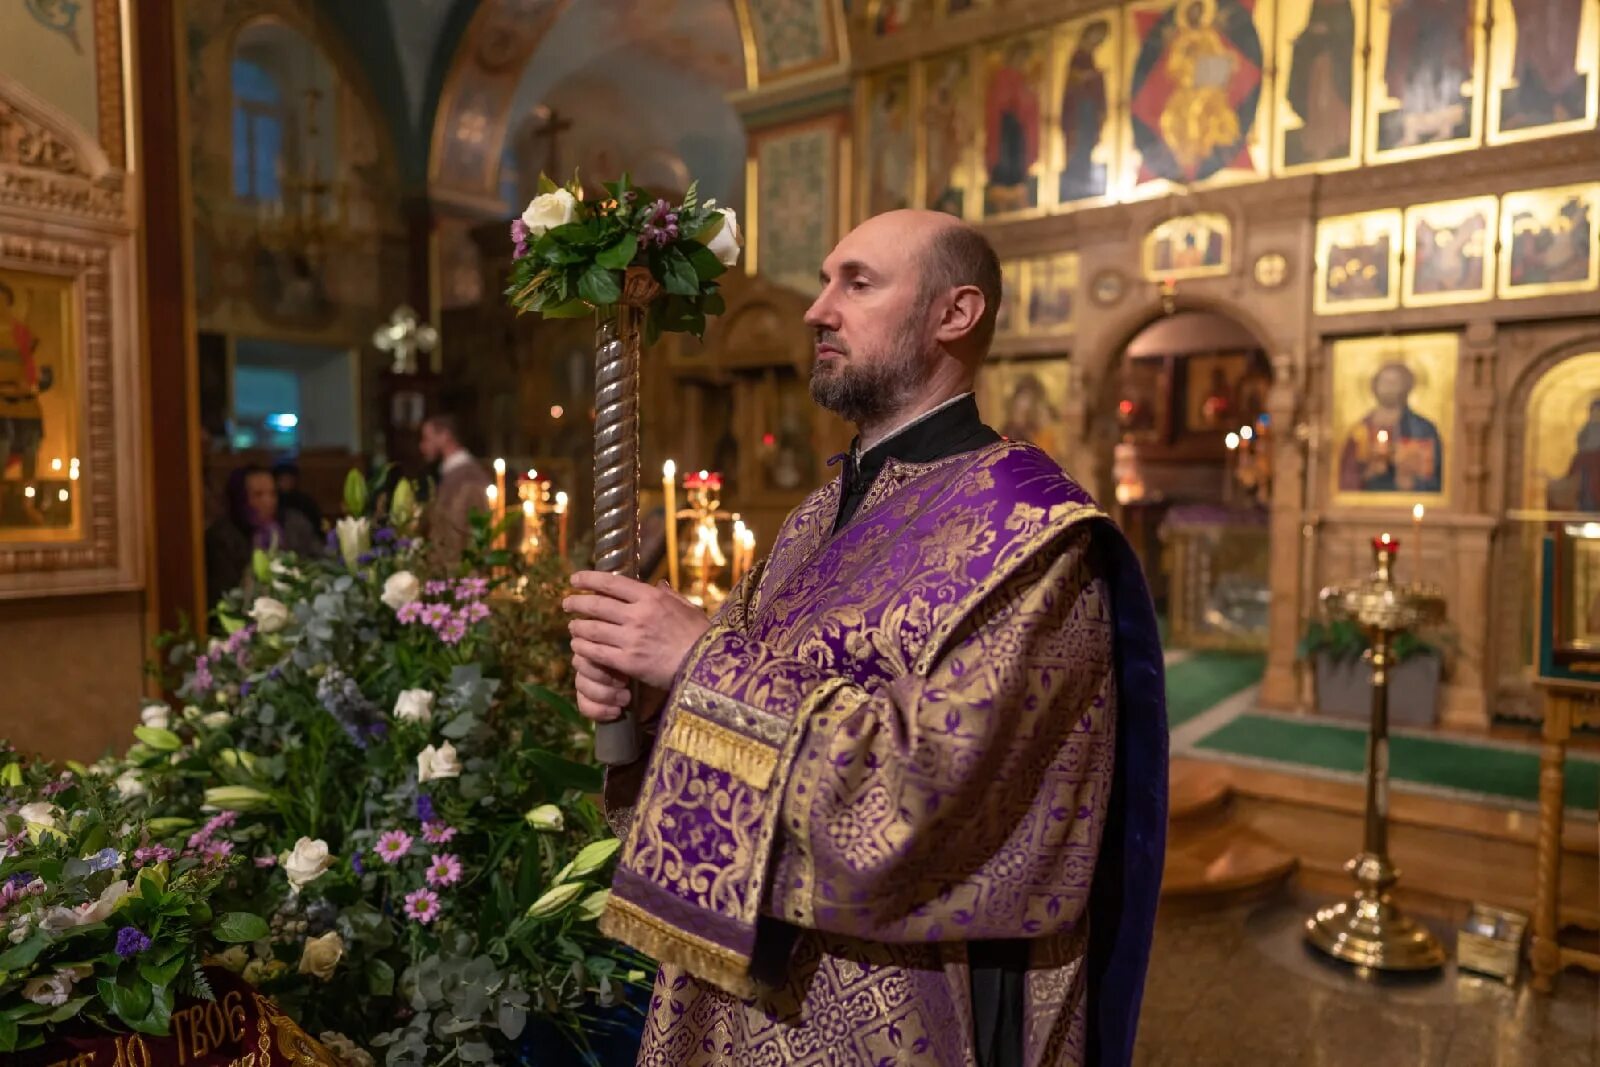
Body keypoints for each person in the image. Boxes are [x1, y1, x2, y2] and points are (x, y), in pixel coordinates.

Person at [565, 210, 1168, 1066]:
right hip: (744, 990)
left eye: (857, 282)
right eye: (823, 280)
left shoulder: (1031, 536)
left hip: (902, 1011)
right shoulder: (824, 509)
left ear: (954, 314)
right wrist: (656, 694)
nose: (816, 309)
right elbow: (743, 698)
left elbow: (929, 798)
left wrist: (697, 659)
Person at [204, 464, 321, 606]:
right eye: (258, 495)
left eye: (272, 494)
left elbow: (317, 564)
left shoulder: (294, 525)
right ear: (240, 498)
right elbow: (223, 595)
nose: (268, 501)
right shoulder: (223, 537)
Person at [1337, 362, 1443, 493]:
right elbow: (1345, 478)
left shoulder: (1422, 428)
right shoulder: (1360, 430)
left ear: (1406, 387)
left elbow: (1435, 480)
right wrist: (1367, 474)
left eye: (1394, 383)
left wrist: (1412, 482)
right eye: (1384, 382)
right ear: (1374, 386)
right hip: (1365, 505)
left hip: (1408, 504)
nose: (1388, 388)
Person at [417, 413, 492, 568]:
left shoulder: (467, 477)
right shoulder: (451, 474)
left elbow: (459, 532)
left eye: (426, 439)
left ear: (445, 436)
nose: (422, 446)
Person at [273, 461, 324, 536]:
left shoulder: (305, 502)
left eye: (289, 479)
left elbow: (316, 526)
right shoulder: (273, 501)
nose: (286, 482)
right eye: (282, 479)